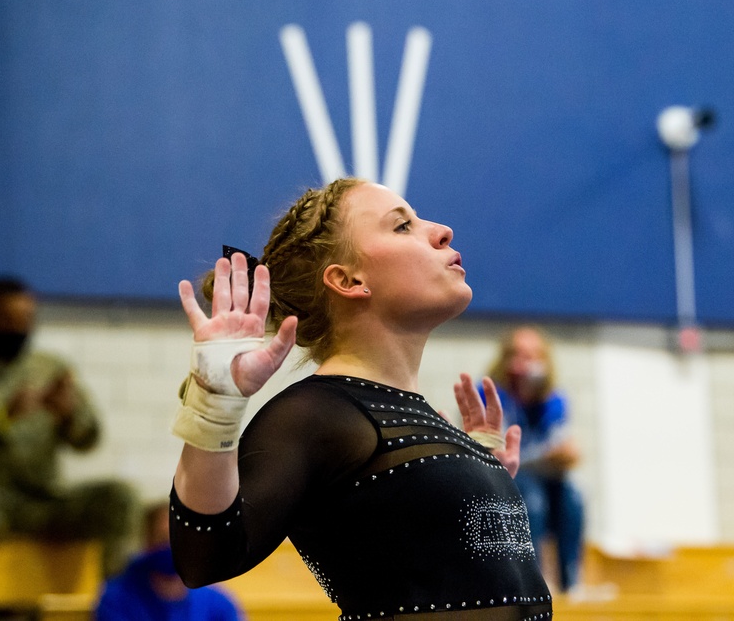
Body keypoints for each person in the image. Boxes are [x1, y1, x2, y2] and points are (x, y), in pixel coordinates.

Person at [169, 178, 552, 620]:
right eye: (402, 226)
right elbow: (205, 557)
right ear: (348, 280)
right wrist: (213, 400)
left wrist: (473, 478)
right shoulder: (319, 414)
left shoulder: (419, 420)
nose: (442, 230)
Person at [0, 277, 138, 621]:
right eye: (8, 319)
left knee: (121, 497)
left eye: (26, 319)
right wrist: (0, 418)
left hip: (45, 500)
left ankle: (119, 612)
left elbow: (89, 440)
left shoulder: (50, 368)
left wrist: (70, 415)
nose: (18, 327)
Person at [482, 326, 585, 593]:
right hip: (504, 481)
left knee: (573, 499)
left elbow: (560, 445)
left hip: (544, 477)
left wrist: (567, 455)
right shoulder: (489, 394)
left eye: (533, 356)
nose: (526, 363)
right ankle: (533, 584)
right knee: (532, 499)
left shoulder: (554, 400)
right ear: (506, 359)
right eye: (519, 355)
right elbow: (494, 452)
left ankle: (570, 583)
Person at [95, 500, 242, 621]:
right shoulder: (117, 599)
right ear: (147, 542)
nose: (174, 546)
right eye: (165, 538)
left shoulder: (218, 603)